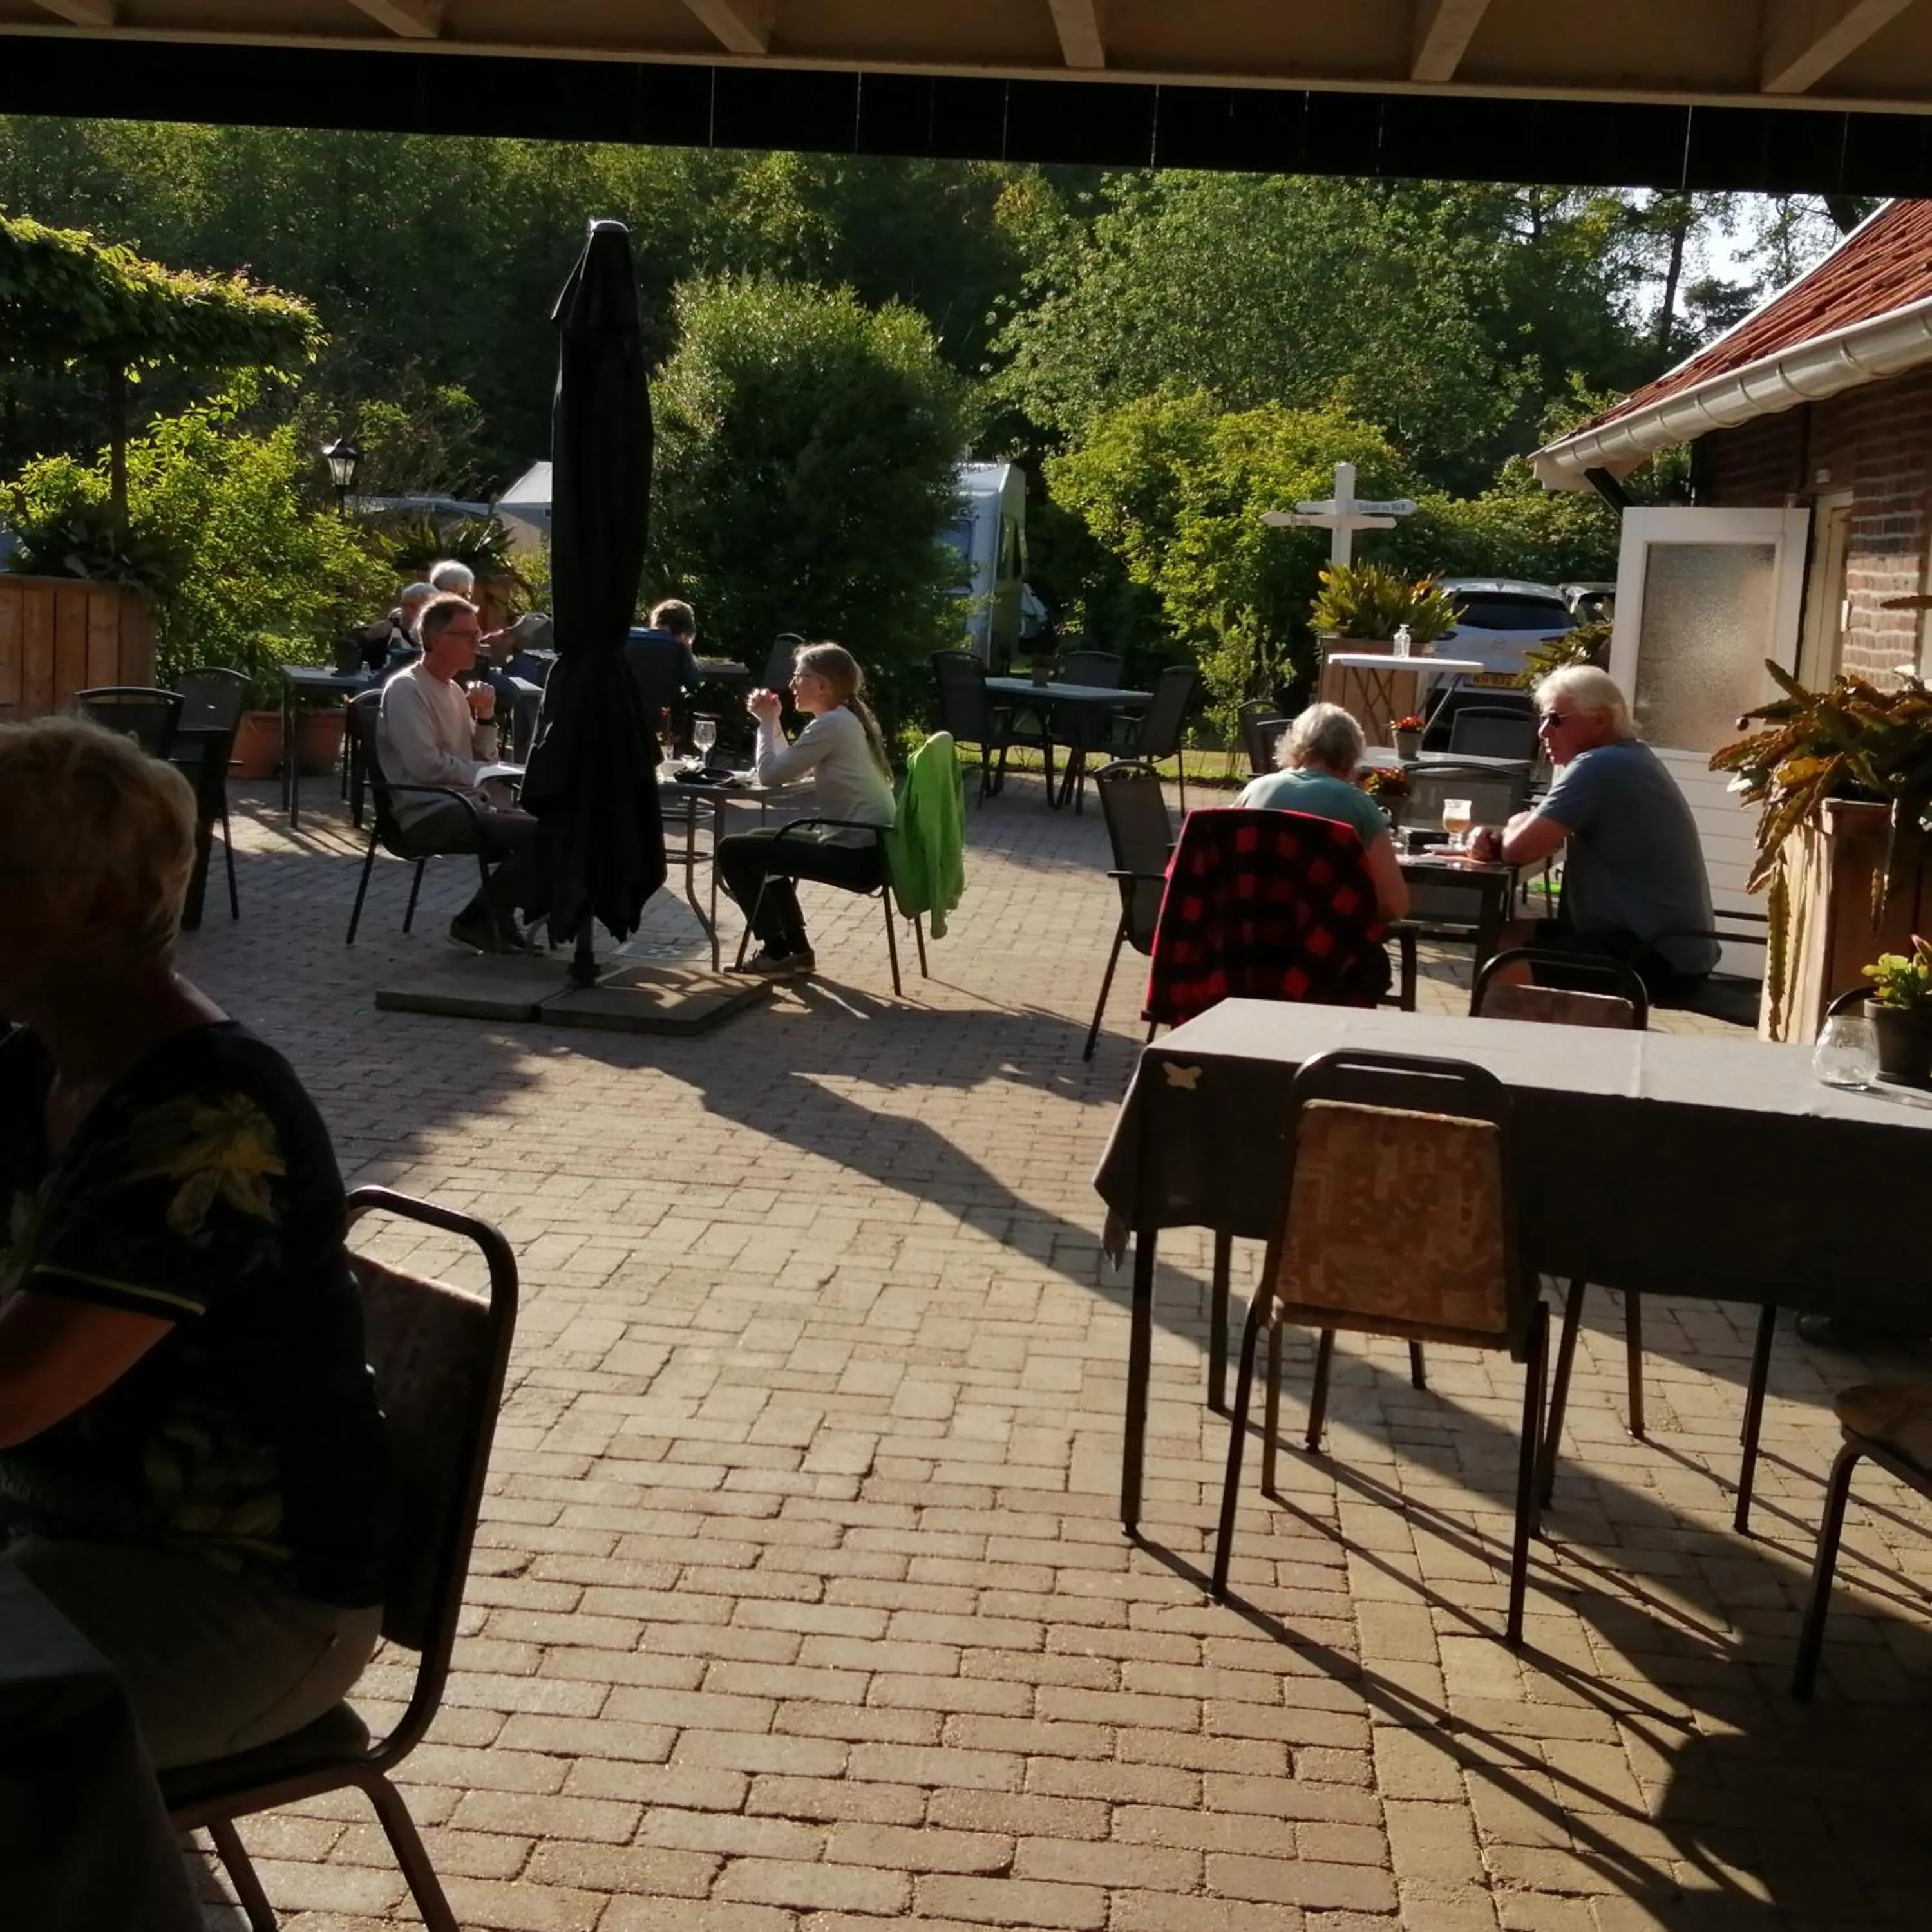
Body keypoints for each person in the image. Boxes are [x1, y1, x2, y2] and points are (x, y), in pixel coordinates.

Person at [0, 719, 392, 1772]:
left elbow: (13, 1393)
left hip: (235, 1597)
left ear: (106, 906)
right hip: (61, 1542)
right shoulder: (36, 1061)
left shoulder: (206, 1116)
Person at [1467, 665, 1718, 995]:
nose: (1543, 732)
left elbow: (1519, 850)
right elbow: (1537, 830)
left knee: (1502, 965)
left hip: (1656, 955)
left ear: (1600, 720)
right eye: (1542, 719)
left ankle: (1515, 1046)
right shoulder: (1626, 758)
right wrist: (1519, 825)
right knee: (1501, 938)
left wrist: (1511, 826)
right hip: (1667, 945)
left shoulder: (1600, 766)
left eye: (1556, 719)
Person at [718, 642, 897, 978]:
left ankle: (776, 952)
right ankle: (797, 952)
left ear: (822, 685)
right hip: (871, 847)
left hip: (856, 857)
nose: (792, 684)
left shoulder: (831, 726)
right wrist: (772, 724)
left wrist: (765, 722)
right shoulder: (840, 722)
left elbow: (770, 776)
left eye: (799, 676)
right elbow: (788, 766)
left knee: (733, 851)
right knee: (760, 840)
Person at [375, 593, 537, 953]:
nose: (476, 645)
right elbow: (426, 767)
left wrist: (484, 716)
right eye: (466, 636)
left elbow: (485, 757)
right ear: (434, 640)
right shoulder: (407, 689)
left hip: (465, 804)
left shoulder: (452, 689)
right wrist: (482, 773)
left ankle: (494, 916)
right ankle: (478, 920)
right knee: (543, 835)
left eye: (477, 635)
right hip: (427, 813)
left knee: (561, 826)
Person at [1237, 702, 1410, 922]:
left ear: (1294, 746)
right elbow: (1396, 905)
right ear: (1353, 755)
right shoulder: (1358, 806)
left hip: (1250, 937)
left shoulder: (1255, 790)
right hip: (1325, 946)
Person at [358, 580, 435, 675]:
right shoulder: (389, 631)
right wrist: (369, 640)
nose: (406, 611)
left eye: (413, 607)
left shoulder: (442, 637)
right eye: (404, 605)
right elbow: (365, 666)